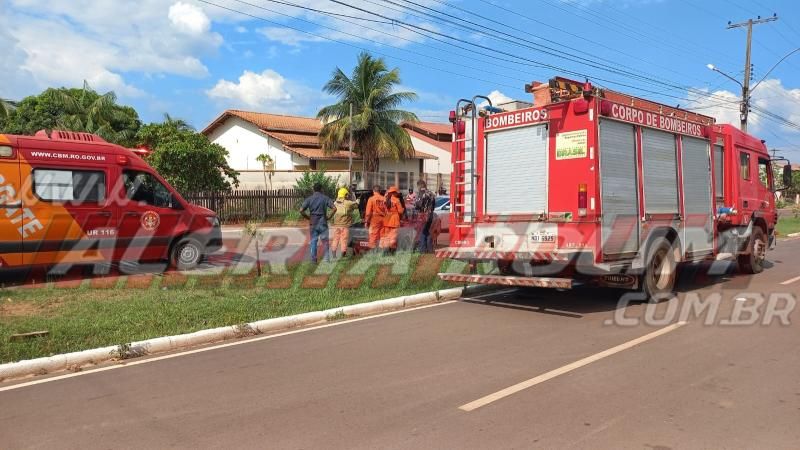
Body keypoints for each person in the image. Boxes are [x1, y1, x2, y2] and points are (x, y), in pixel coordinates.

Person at [299, 182, 333, 263]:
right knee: (325, 242)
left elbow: (301, 210)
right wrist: (329, 217)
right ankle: (326, 260)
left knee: (313, 241)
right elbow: (334, 208)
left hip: (313, 223)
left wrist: (308, 217)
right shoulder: (325, 198)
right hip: (323, 223)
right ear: (321, 189)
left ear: (313, 189)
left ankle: (314, 260)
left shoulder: (309, 199)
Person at [329, 187, 357, 260]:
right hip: (345, 225)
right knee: (344, 239)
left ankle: (334, 254)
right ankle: (343, 254)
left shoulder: (335, 202)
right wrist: (357, 200)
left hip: (336, 225)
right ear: (345, 195)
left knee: (335, 239)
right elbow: (356, 205)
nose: (348, 196)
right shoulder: (348, 203)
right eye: (347, 195)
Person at [381, 186, 405, 253]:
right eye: (396, 193)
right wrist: (402, 209)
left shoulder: (385, 199)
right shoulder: (396, 200)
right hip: (394, 221)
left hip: (386, 220)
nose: (397, 194)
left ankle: (386, 250)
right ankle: (392, 251)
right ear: (394, 193)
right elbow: (400, 211)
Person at [414, 180, 437, 253]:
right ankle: (429, 249)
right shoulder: (431, 193)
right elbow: (433, 205)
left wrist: (417, 208)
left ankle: (423, 250)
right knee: (427, 231)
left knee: (422, 232)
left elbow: (418, 205)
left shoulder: (421, 193)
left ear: (419, 185)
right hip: (430, 214)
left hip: (423, 215)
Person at [364, 185, 386, 251]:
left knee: (373, 235)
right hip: (384, 219)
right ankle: (382, 251)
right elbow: (387, 210)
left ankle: (373, 253)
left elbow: (368, 213)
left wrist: (366, 222)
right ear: (380, 191)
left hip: (375, 219)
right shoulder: (384, 199)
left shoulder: (371, 199)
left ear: (373, 191)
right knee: (382, 235)